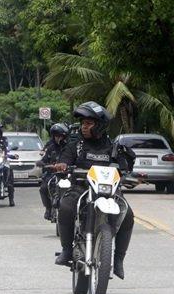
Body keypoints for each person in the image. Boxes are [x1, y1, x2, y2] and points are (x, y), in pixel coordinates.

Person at [51, 102, 136, 278]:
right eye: (83, 123)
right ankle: (66, 250)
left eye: (88, 123)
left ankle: (118, 260)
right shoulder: (76, 144)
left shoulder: (114, 147)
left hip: (109, 191)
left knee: (127, 215)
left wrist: (129, 174)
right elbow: (65, 159)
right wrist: (62, 165)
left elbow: (124, 168)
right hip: (81, 188)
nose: (84, 127)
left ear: (100, 125)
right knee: (65, 207)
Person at [38, 123, 70, 221]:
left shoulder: (70, 148)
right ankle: (48, 208)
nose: (58, 138)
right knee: (43, 188)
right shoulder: (51, 148)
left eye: (60, 136)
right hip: (52, 174)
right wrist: (42, 163)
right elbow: (44, 159)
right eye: (56, 136)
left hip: (67, 174)